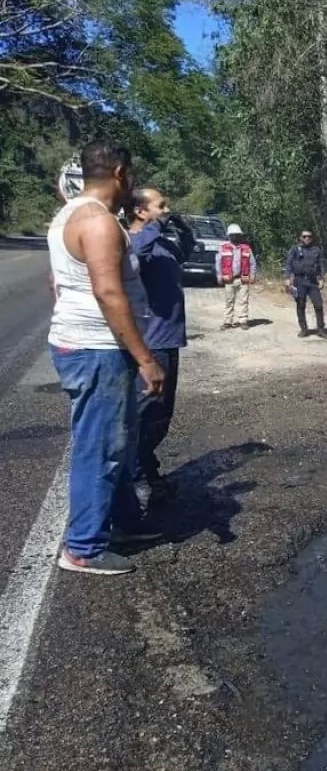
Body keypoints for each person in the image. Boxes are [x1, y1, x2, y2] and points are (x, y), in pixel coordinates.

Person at [48, 142, 165, 576]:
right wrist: (145, 358)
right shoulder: (97, 223)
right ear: (119, 172)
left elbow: (56, 284)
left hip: (90, 345)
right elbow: (108, 292)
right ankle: (82, 548)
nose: (131, 182)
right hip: (98, 350)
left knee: (117, 440)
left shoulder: (69, 215)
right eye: (130, 174)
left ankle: (123, 524)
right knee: (100, 447)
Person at [128, 188, 187, 507]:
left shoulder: (162, 243)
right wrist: (157, 225)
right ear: (140, 211)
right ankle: (136, 479)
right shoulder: (134, 239)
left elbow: (185, 253)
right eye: (160, 205)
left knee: (161, 418)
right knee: (146, 416)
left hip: (170, 339)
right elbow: (136, 256)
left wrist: (181, 228)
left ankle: (148, 471)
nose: (167, 209)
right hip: (151, 343)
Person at [283, 229, 327, 339]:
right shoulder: (295, 249)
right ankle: (304, 329)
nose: (307, 238)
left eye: (309, 236)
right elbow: (288, 264)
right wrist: (287, 278)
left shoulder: (317, 250)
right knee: (301, 305)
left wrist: (322, 278)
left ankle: (321, 329)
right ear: (300, 237)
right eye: (304, 236)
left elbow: (321, 265)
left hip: (312, 281)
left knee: (318, 305)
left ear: (312, 238)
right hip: (299, 281)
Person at [216, 223, 257, 330]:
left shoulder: (246, 248)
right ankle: (227, 321)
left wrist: (252, 275)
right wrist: (219, 275)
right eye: (233, 235)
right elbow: (218, 262)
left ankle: (243, 320)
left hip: (243, 278)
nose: (235, 237)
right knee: (229, 300)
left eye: (237, 234)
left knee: (244, 300)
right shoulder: (223, 248)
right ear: (229, 236)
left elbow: (252, 263)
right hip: (229, 279)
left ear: (240, 235)